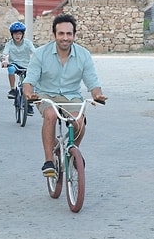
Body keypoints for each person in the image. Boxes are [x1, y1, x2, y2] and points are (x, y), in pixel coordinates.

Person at [22, 14, 107, 176]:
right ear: (54, 35)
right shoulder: (41, 54)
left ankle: (71, 150)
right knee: (51, 114)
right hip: (46, 94)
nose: (65, 38)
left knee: (79, 122)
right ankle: (49, 161)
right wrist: (29, 93)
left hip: (71, 96)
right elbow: (30, 79)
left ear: (74, 35)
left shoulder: (83, 55)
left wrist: (98, 95)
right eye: (61, 34)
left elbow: (92, 81)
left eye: (69, 34)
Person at [0, 21, 36, 115]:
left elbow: (35, 53)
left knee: (31, 81)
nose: (17, 36)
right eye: (15, 33)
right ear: (12, 35)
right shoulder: (9, 44)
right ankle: (12, 90)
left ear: (23, 34)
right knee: (11, 69)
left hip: (27, 66)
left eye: (19, 33)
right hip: (14, 65)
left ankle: (29, 105)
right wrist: (4, 61)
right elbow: (4, 54)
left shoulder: (27, 43)